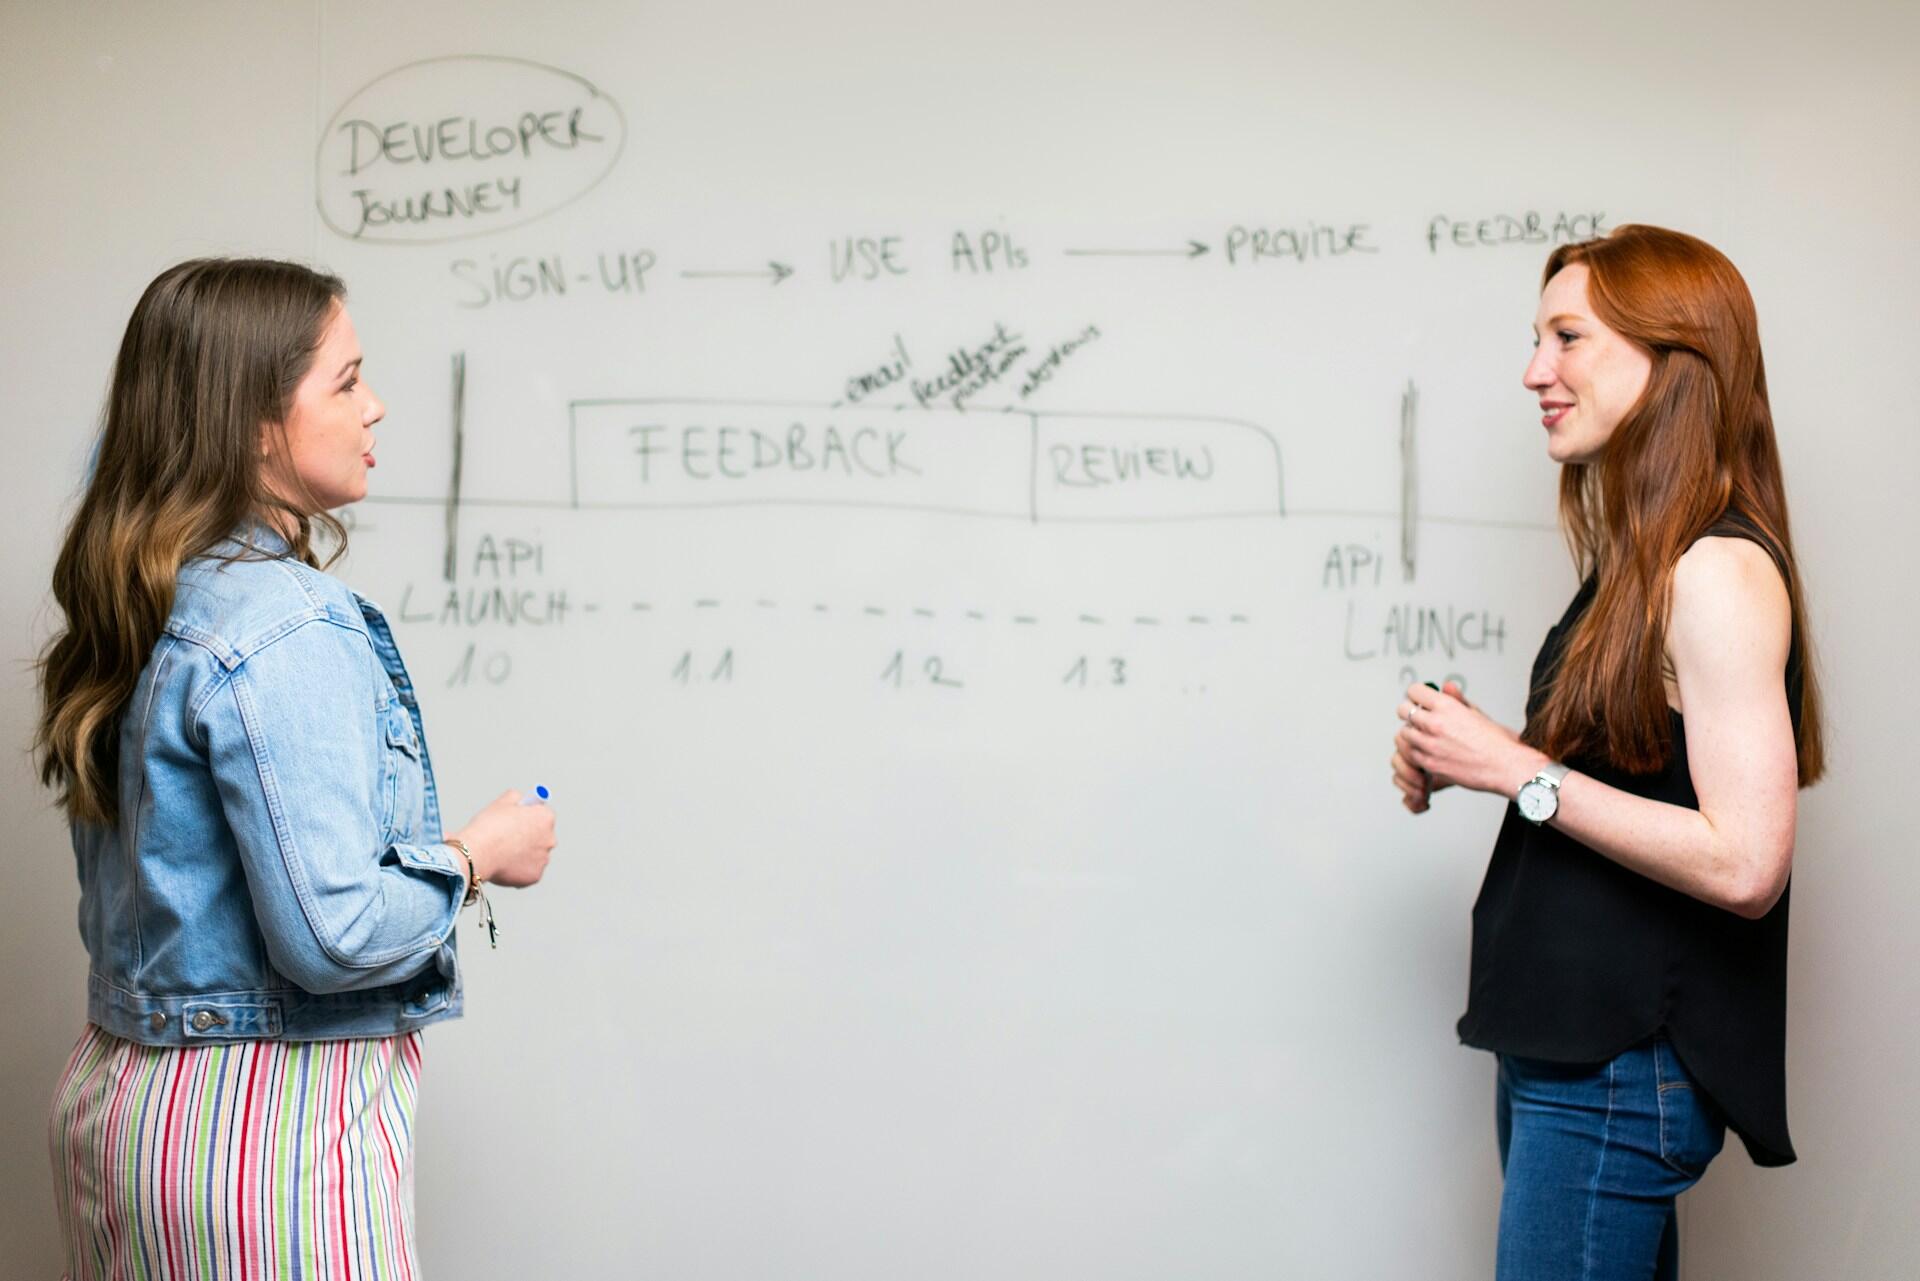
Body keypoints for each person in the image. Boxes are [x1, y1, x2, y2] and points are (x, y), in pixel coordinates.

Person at [34, 257, 557, 1279]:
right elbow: (335, 933)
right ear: (256, 423)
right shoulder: (286, 621)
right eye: (347, 380)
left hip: (120, 1109)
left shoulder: (148, 594)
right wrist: (479, 853)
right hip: (264, 1136)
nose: (377, 406)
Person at [1389, 225, 1823, 1279]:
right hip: (1576, 1055)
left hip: (1618, 1069)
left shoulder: (1714, 571)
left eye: (1568, 336)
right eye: (1539, 339)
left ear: (1672, 355)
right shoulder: (1645, 562)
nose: (1537, 371)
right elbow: (1623, 781)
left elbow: (1747, 863)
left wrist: (1511, 767)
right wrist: (1470, 754)